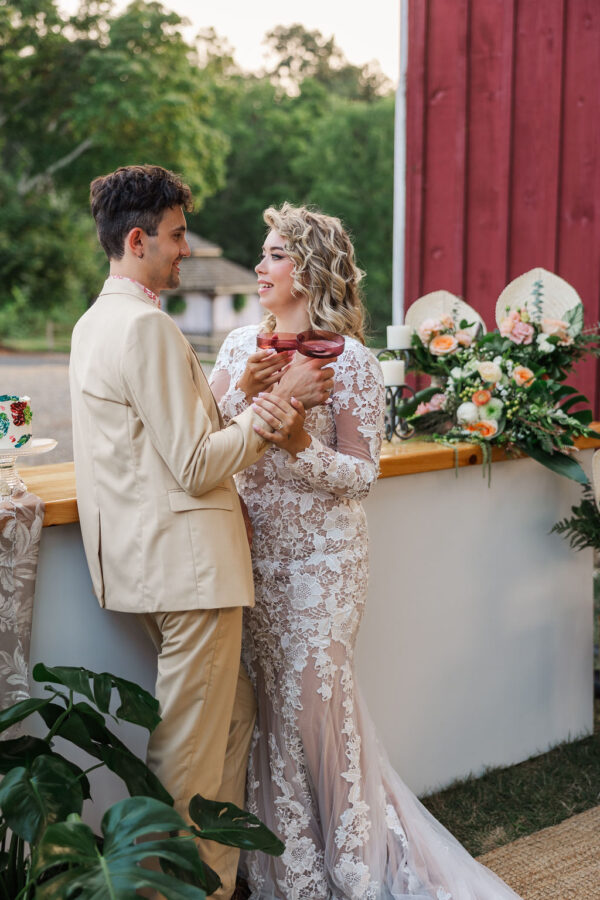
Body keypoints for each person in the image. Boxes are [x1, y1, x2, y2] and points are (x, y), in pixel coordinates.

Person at [210, 203, 523, 900]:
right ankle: (290, 876)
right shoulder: (235, 348)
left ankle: (358, 870)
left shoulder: (351, 360)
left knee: (316, 708)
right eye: (262, 255)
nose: (259, 268)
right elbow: (205, 441)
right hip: (254, 557)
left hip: (324, 565)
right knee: (272, 715)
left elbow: (360, 477)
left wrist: (298, 445)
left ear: (310, 269)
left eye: (274, 256)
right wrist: (244, 393)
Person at [69, 167, 332, 900]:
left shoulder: (96, 322)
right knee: (188, 755)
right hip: (188, 569)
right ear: (136, 238)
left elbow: (155, 445)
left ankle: (214, 886)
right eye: (178, 236)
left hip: (149, 563)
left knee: (232, 717)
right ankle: (165, 892)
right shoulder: (148, 326)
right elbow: (191, 466)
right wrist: (281, 401)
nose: (186, 249)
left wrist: (238, 395)